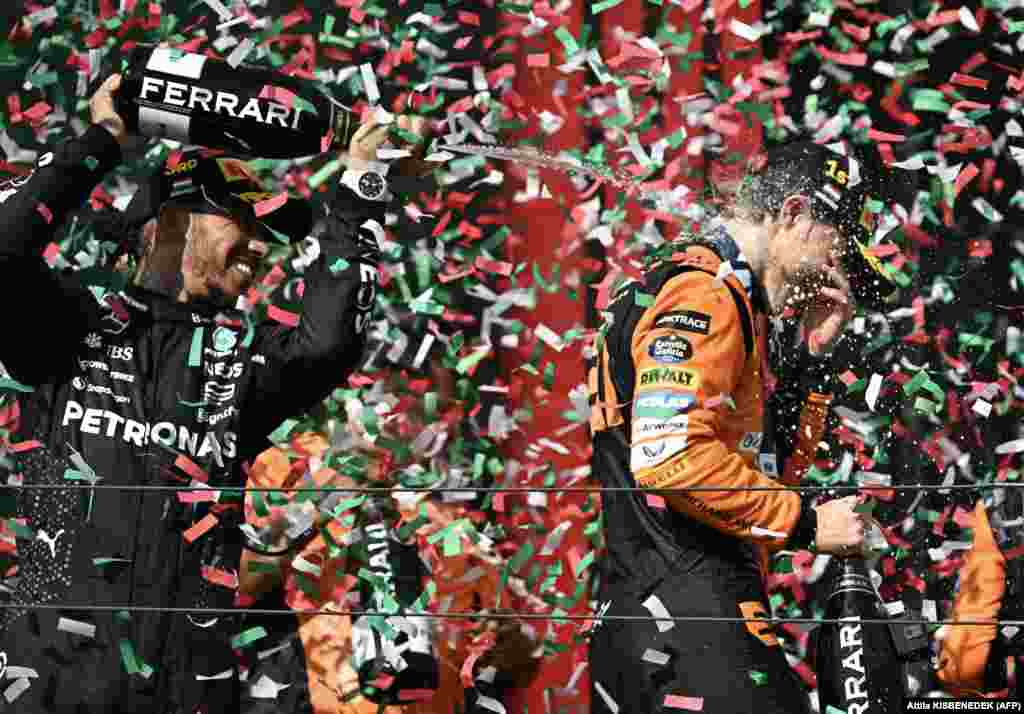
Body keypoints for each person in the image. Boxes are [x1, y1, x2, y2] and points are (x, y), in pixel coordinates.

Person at [0, 73, 428, 714]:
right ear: (168, 223)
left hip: (189, 685)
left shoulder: (240, 364)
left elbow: (328, 344)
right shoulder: (64, 321)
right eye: (241, 221)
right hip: (50, 679)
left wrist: (362, 178)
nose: (262, 246)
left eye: (272, 234)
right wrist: (103, 139)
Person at [586, 140, 898, 714]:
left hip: (676, 618)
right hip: (687, 628)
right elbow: (668, 457)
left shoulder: (733, 298)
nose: (845, 258)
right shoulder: (704, 292)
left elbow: (759, 470)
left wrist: (808, 362)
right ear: (795, 214)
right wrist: (806, 523)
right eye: (842, 234)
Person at [235, 358, 543, 713]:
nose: (404, 419)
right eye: (400, 393)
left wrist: (512, 642)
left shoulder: (452, 528)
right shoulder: (289, 467)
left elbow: (519, 664)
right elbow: (241, 582)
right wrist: (329, 491)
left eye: (435, 408)